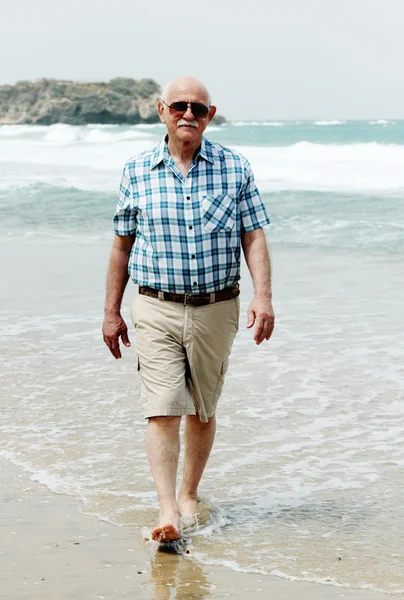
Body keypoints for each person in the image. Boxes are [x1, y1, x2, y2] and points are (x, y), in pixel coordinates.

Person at [102, 76, 274, 545]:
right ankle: (167, 512)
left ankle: (190, 494)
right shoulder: (136, 170)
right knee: (162, 410)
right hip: (155, 306)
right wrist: (111, 311)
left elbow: (253, 235)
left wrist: (264, 296)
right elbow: (121, 247)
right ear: (161, 111)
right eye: (179, 106)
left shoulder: (234, 168)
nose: (188, 115)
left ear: (210, 116)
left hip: (217, 307)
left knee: (202, 409)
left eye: (198, 109)